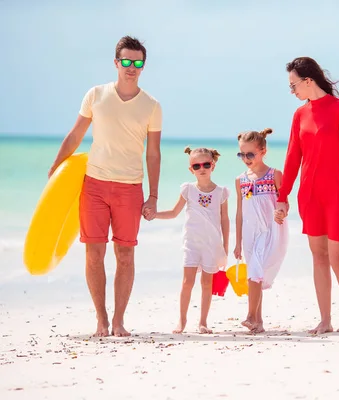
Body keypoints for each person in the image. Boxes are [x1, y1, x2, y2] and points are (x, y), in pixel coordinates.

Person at [48, 36, 162, 337]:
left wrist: (153, 195)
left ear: (143, 66)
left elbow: (153, 153)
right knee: (94, 254)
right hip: (94, 185)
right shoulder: (96, 95)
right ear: (116, 62)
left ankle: (119, 321)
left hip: (129, 187)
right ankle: (101, 319)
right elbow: (74, 136)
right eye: (126, 61)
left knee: (125, 255)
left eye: (137, 62)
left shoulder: (151, 106)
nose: (131, 67)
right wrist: (56, 168)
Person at [275, 57, 339, 334]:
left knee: (338, 258)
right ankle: (325, 319)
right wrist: (283, 194)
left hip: (338, 194)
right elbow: (293, 157)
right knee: (318, 256)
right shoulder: (299, 115)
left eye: (293, 85)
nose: (292, 92)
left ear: (308, 80)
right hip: (311, 195)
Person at [153, 147, 230, 334]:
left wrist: (225, 246)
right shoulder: (188, 189)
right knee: (187, 282)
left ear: (213, 165)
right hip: (191, 243)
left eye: (206, 164)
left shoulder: (221, 192)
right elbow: (173, 213)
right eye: (197, 165)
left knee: (207, 284)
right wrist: (154, 214)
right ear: (191, 169)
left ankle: (203, 322)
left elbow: (225, 220)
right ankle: (182, 320)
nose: (201, 168)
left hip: (212, 245)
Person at [234, 128, 289, 333]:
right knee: (253, 273)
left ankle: (250, 315)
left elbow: (284, 203)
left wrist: (281, 213)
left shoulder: (274, 174)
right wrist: (238, 241)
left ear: (263, 151)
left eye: (250, 154)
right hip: (250, 232)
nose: (246, 159)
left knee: (256, 271)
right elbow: (239, 213)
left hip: (271, 230)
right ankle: (258, 322)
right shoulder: (240, 180)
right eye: (242, 154)